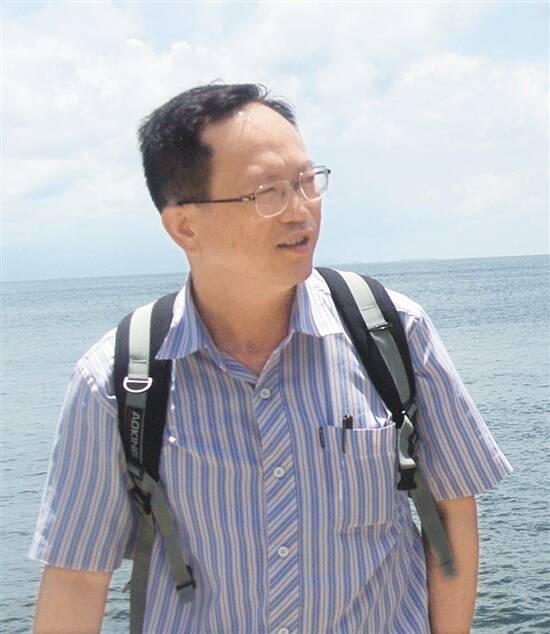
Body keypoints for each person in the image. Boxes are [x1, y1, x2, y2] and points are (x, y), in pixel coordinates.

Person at [30, 83, 512, 634]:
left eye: (307, 182)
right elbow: (77, 577)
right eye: (268, 193)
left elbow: (451, 513)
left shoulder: (391, 332)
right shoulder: (119, 380)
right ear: (184, 225)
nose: (301, 210)